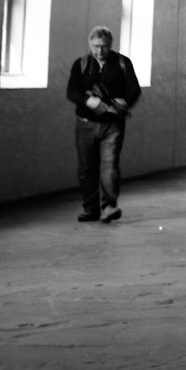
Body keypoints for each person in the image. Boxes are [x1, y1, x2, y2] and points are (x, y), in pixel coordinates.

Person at [66, 25, 142, 223]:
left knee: (109, 166)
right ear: (90, 45)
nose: (99, 50)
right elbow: (71, 91)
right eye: (95, 46)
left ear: (111, 45)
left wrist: (125, 102)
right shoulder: (81, 64)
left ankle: (109, 207)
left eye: (104, 46)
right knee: (86, 168)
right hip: (85, 124)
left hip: (112, 125)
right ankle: (90, 209)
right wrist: (87, 101)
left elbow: (134, 89)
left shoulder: (123, 63)